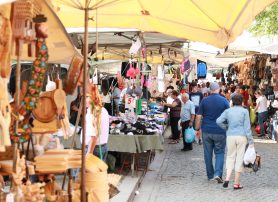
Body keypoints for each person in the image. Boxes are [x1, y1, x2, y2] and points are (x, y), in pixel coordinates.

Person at [216, 94, 254, 189]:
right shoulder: (245, 111)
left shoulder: (227, 111)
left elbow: (218, 121)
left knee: (230, 156)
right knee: (240, 158)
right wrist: (251, 141)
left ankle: (227, 178)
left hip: (230, 136)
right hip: (242, 136)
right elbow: (247, 127)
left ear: (232, 102)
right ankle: (236, 183)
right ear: (242, 102)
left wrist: (226, 127)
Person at [195, 82, 229, 182]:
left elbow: (199, 115)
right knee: (220, 152)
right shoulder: (224, 101)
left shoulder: (204, 101)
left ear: (210, 90)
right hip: (220, 130)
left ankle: (210, 175)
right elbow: (229, 115)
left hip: (206, 130)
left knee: (207, 153)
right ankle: (218, 173)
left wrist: (197, 128)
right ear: (218, 89)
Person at [82, 95, 110, 160]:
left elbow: (94, 135)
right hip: (101, 147)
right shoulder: (103, 110)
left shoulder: (93, 111)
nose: (83, 99)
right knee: (100, 170)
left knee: (91, 170)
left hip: (94, 149)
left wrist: (89, 153)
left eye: (86, 97)